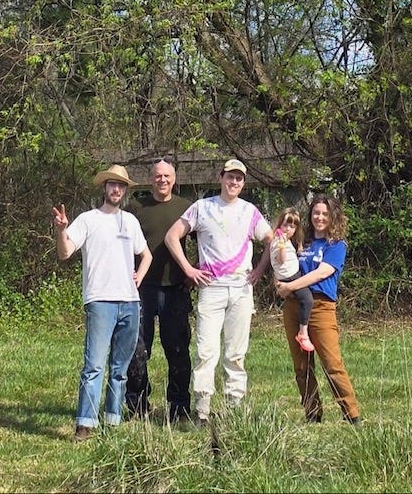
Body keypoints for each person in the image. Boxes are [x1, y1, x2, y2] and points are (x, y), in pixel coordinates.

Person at [164, 158, 272, 424]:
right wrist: (189, 269)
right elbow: (171, 236)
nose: (234, 182)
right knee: (206, 351)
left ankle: (233, 410)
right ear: (221, 178)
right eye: (230, 177)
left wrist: (259, 270)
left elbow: (273, 239)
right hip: (210, 289)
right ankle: (202, 411)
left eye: (239, 178)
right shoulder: (202, 207)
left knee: (236, 353)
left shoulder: (250, 212)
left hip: (241, 290)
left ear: (243, 183)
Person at [52, 162, 152, 441]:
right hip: (100, 302)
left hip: (130, 303)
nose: (116, 189)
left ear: (125, 190)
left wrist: (138, 278)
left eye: (121, 185)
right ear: (104, 187)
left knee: (120, 370)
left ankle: (113, 421)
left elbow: (146, 255)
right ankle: (85, 424)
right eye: (112, 184)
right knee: (94, 366)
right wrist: (61, 230)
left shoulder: (130, 222)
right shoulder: (87, 219)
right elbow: (65, 252)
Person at [274, 192, 360, 425]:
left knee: (332, 364)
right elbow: (283, 261)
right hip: (294, 305)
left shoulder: (336, 245)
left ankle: (352, 415)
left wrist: (291, 285)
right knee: (302, 366)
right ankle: (313, 414)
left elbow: (321, 272)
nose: (319, 218)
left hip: (321, 307)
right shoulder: (303, 241)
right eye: (315, 213)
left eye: (324, 214)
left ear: (333, 217)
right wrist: (279, 280)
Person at [125, 157, 194, 423]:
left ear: (174, 179)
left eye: (167, 176)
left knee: (177, 351)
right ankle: (137, 407)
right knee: (138, 350)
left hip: (176, 289)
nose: (162, 180)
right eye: (157, 176)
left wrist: (195, 270)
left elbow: (208, 240)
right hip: (141, 289)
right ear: (151, 179)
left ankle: (179, 407)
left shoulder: (186, 208)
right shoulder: (136, 208)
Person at [269, 207, 314, 352]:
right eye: (285, 225)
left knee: (303, 299)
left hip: (292, 275)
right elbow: (281, 260)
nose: (288, 229)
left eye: (292, 226)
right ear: (279, 225)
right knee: (307, 299)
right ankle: (303, 333)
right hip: (290, 278)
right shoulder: (278, 242)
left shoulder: (286, 241)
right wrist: (282, 245)